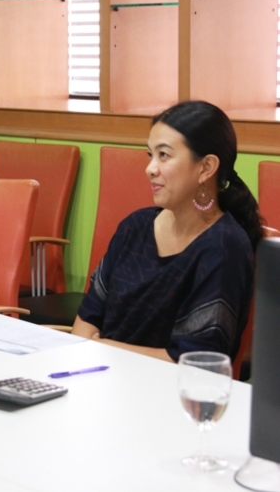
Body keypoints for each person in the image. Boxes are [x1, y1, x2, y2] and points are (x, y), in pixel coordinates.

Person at [72, 101, 263, 362]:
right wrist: (97, 350)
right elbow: (86, 320)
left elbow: (195, 360)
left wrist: (104, 347)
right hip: (100, 374)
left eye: (164, 155)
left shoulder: (223, 246)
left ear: (206, 167)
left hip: (172, 387)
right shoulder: (135, 227)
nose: (150, 168)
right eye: (150, 155)